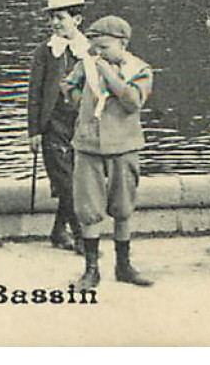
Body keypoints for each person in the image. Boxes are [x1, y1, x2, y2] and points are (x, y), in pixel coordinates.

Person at [61, 15, 155, 290]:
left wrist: (108, 75)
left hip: (124, 145)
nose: (97, 53)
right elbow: (67, 87)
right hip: (89, 144)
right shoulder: (86, 65)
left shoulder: (140, 69)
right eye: (94, 47)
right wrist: (82, 105)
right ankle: (91, 271)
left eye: (104, 47)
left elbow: (133, 102)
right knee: (88, 208)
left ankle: (123, 266)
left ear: (123, 43)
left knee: (123, 207)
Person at [28, 0, 91, 253]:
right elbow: (35, 94)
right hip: (52, 125)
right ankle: (80, 236)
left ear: (77, 20)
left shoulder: (89, 50)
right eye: (52, 18)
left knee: (75, 179)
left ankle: (57, 231)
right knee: (66, 181)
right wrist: (33, 131)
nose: (55, 23)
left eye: (61, 18)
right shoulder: (45, 52)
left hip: (80, 125)